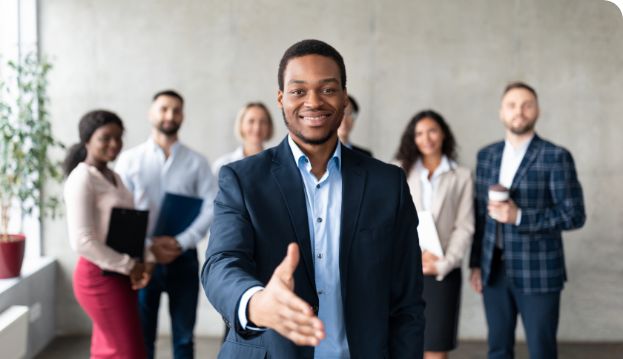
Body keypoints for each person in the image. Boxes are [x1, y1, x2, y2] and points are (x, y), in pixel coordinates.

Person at [202, 39, 425, 358]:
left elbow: (407, 302)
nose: (313, 101)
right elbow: (220, 263)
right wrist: (256, 302)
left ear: (345, 98)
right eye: (298, 91)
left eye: (328, 89)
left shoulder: (387, 184)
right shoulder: (241, 179)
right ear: (281, 98)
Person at [469, 82, 586, 359]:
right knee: (497, 350)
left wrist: (519, 216)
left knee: (541, 351)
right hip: (493, 270)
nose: (519, 111)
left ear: (537, 111)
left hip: (540, 272)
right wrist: (476, 263)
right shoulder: (487, 156)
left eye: (526, 105)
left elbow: (574, 214)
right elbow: (479, 215)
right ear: (501, 112)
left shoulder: (555, 157)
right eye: (511, 105)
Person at [115, 90, 218, 359]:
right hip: (140, 259)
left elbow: (211, 205)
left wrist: (180, 241)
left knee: (184, 339)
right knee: (142, 337)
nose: (170, 115)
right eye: (163, 109)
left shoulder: (197, 162)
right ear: (152, 113)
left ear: (182, 115)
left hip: (183, 257)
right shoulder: (129, 160)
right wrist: (149, 246)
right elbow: (120, 210)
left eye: (176, 110)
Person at [63, 110, 152, 359]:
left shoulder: (115, 177)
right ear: (87, 140)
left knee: (108, 351)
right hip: (98, 276)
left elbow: (126, 228)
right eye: (105, 137)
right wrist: (130, 265)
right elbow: (82, 241)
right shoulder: (81, 178)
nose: (114, 144)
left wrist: (142, 262)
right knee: (129, 352)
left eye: (118, 137)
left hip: (121, 274)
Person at [395, 110, 474, 359]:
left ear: (443, 134)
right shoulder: (399, 172)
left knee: (436, 346)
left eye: (432, 131)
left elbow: (465, 226)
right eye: (419, 133)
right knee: (404, 342)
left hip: (442, 272)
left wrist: (444, 263)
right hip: (405, 270)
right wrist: (410, 258)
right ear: (412, 138)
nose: (426, 138)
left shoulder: (461, 176)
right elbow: (392, 222)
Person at [212, 102, 274, 176]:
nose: (257, 128)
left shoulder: (278, 166)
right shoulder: (222, 165)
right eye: (251, 121)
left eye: (263, 122)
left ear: (269, 127)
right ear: (241, 125)